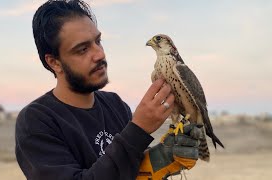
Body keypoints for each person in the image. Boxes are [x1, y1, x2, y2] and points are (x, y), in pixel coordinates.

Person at [15, 1, 198, 180]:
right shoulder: (37, 121)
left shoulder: (115, 105)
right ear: (54, 62)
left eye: (98, 41)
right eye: (82, 49)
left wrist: (157, 161)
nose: (99, 54)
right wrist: (138, 130)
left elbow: (128, 172)